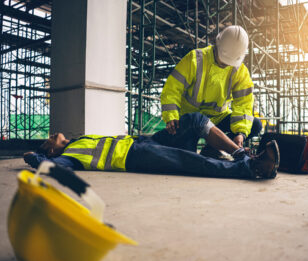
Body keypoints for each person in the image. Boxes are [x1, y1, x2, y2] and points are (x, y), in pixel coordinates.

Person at [24, 113, 279, 179]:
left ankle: (238, 153)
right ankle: (251, 167)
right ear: (51, 149)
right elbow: (54, 166)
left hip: (142, 142)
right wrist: (35, 158)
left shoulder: (78, 140)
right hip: (135, 157)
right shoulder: (69, 157)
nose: (56, 134)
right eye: (51, 138)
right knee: (188, 161)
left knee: (192, 121)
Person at [161, 25, 261, 159]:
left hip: (218, 118)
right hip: (192, 121)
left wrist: (240, 133)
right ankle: (200, 147)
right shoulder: (195, 59)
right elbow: (172, 88)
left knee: (255, 125)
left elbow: (244, 104)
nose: (226, 64)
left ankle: (212, 149)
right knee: (187, 157)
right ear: (217, 44)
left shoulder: (240, 71)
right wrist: (171, 116)